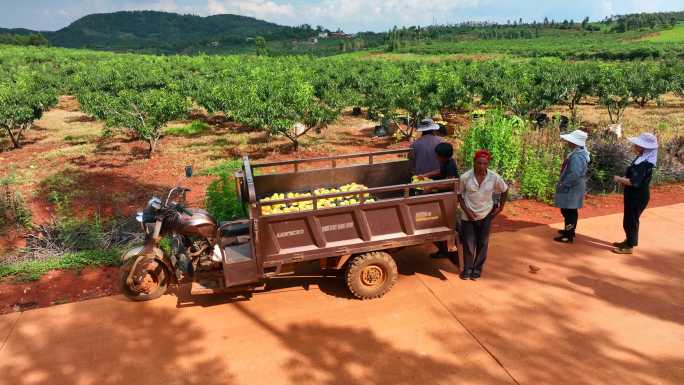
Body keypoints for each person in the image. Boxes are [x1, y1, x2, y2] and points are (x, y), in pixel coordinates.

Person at [458, 149, 508, 280]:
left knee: (482, 243)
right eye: (479, 163)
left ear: (488, 164)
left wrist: (501, 207)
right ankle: (467, 269)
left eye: (485, 164)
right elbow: (459, 195)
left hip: (486, 213)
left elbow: (504, 189)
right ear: (474, 162)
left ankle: (477, 269)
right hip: (468, 215)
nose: (482, 166)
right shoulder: (465, 177)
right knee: (469, 244)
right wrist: (468, 212)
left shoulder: (494, 177)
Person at [612, 133, 658, 254]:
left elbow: (634, 182)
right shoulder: (642, 158)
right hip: (634, 194)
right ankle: (628, 241)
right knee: (629, 219)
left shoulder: (644, 163)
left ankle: (630, 246)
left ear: (644, 147)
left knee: (631, 220)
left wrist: (619, 179)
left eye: (638, 144)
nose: (635, 145)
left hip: (637, 195)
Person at [419, 142, 459, 261]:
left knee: (444, 224)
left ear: (443, 156)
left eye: (438, 155)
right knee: (440, 224)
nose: (436, 157)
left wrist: (431, 187)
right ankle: (443, 250)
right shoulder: (445, 162)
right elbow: (440, 172)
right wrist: (425, 175)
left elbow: (450, 183)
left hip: (448, 198)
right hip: (442, 196)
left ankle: (452, 250)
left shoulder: (451, 165)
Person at [554, 130, 590, 244]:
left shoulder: (577, 156)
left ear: (575, 143)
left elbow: (575, 173)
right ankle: (569, 230)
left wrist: (564, 183)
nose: (567, 142)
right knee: (568, 209)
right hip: (574, 186)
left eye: (570, 140)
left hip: (573, 187)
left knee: (569, 210)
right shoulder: (578, 153)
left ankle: (568, 235)